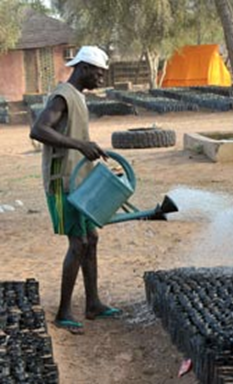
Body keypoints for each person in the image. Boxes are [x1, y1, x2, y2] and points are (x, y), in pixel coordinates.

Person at [30, 46, 121, 334]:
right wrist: (80, 144)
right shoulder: (63, 95)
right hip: (62, 183)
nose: (101, 78)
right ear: (83, 68)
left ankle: (93, 303)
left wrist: (87, 148)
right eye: (99, 72)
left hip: (79, 180)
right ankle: (63, 312)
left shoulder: (77, 97)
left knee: (90, 239)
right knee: (78, 242)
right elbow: (39, 130)